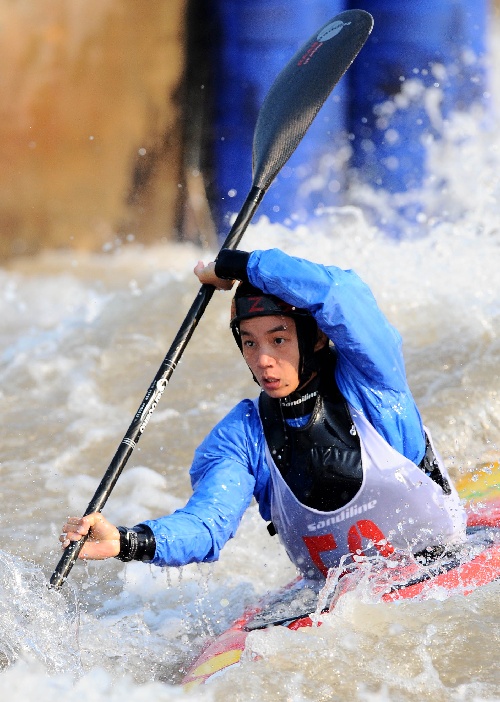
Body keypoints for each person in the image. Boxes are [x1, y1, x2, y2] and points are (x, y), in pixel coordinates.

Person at [60, 248, 466, 580]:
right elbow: (206, 525)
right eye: (250, 343)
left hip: (444, 566)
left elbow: (340, 292)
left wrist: (240, 264)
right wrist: (129, 541)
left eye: (278, 339)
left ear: (316, 336)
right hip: (344, 605)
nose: (263, 360)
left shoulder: (372, 381)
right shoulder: (243, 434)